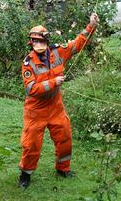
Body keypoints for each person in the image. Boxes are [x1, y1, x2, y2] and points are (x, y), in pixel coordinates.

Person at [18, 13, 99, 188]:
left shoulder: (57, 52)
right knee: (31, 144)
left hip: (56, 106)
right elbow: (31, 89)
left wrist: (91, 25)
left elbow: (78, 44)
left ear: (47, 41)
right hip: (35, 110)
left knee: (65, 137)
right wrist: (53, 82)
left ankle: (63, 169)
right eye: (35, 41)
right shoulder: (27, 64)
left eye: (41, 41)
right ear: (31, 42)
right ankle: (25, 175)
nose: (38, 44)